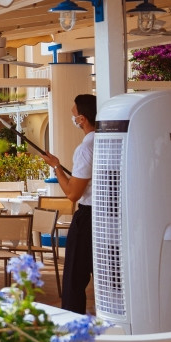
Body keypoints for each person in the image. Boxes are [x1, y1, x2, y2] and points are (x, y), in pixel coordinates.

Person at [41, 93, 97, 314]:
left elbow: (73, 193)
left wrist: (56, 167)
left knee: (74, 275)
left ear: (82, 119)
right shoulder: (110, 142)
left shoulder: (86, 148)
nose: (73, 119)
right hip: (109, 214)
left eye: (75, 115)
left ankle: (72, 324)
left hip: (88, 217)